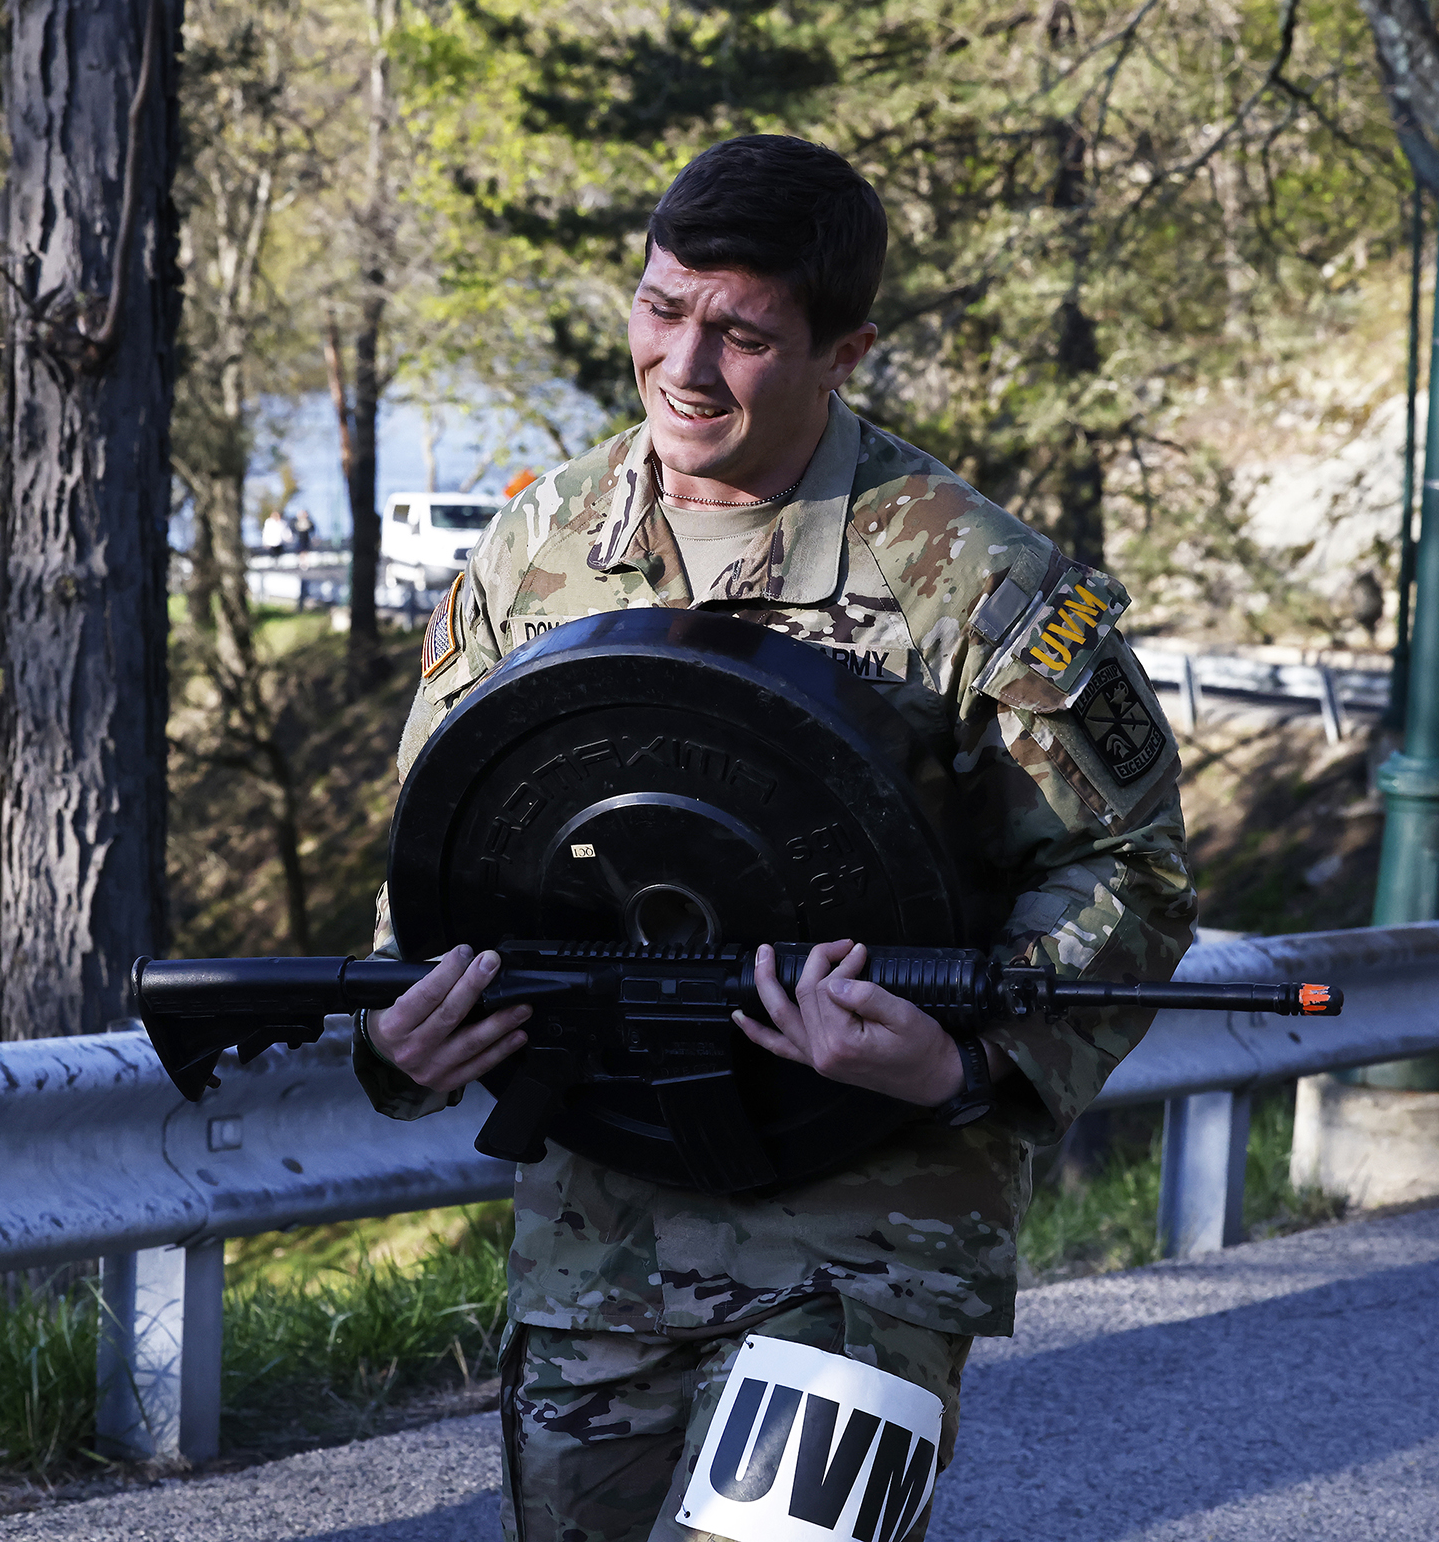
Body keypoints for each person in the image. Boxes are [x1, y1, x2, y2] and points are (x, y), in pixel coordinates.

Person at [351, 134, 1194, 1542]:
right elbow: (452, 840)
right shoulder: (535, 550)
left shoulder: (974, 578)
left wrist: (970, 1054)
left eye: (740, 334)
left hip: (872, 1229)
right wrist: (401, 1033)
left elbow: (1132, 872)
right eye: (662, 307)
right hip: (600, 1229)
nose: (683, 365)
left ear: (843, 350)